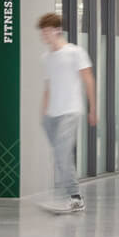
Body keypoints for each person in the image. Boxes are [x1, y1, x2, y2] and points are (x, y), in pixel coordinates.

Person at [36, 12, 96, 214]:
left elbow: (88, 80)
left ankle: (75, 197)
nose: (44, 36)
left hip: (71, 110)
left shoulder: (75, 52)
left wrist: (93, 109)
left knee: (62, 154)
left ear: (57, 30)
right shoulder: (46, 57)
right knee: (61, 157)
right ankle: (73, 197)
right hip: (51, 115)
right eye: (42, 33)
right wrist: (43, 114)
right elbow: (48, 86)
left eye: (46, 32)